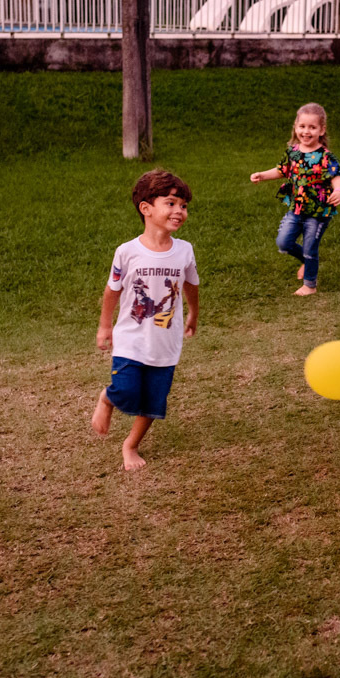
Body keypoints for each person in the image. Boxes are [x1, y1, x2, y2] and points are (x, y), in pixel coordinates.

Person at [91, 170, 200, 472]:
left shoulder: (185, 250)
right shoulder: (127, 252)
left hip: (166, 341)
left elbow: (192, 285)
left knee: (153, 402)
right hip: (131, 338)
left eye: (183, 206)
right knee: (126, 391)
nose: (179, 211)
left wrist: (193, 313)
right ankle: (108, 398)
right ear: (146, 208)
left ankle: (131, 445)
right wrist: (105, 325)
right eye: (171, 203)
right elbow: (112, 290)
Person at [250, 102, 340, 296]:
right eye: (302, 126)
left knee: (311, 247)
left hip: (319, 212)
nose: (306, 131)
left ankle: (310, 285)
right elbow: (281, 170)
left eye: (312, 127)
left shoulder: (326, 156)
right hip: (296, 209)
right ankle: (306, 260)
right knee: (283, 242)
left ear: (321, 130)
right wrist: (262, 175)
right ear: (296, 127)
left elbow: (336, 175)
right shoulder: (293, 152)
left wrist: (339, 190)